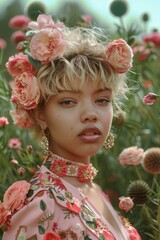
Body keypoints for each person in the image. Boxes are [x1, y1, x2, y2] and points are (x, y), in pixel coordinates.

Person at [1, 14, 141, 240]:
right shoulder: (40, 207)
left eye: (102, 100)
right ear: (41, 114)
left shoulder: (93, 190)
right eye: (68, 101)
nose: (90, 114)